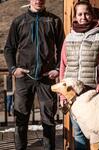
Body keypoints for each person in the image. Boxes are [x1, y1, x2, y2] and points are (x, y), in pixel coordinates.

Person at [4, 0, 64, 149]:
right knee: (21, 119)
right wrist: (13, 69)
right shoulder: (19, 21)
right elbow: (9, 48)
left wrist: (57, 69)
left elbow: (63, 47)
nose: (38, 1)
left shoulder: (54, 20)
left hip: (46, 77)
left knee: (48, 119)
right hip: (24, 77)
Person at [59, 1, 99, 150]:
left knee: (98, 135)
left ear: (91, 15)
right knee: (78, 134)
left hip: (93, 94)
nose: (83, 17)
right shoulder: (69, 38)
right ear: (75, 16)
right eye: (79, 14)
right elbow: (63, 67)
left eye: (86, 13)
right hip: (73, 96)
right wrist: (63, 95)